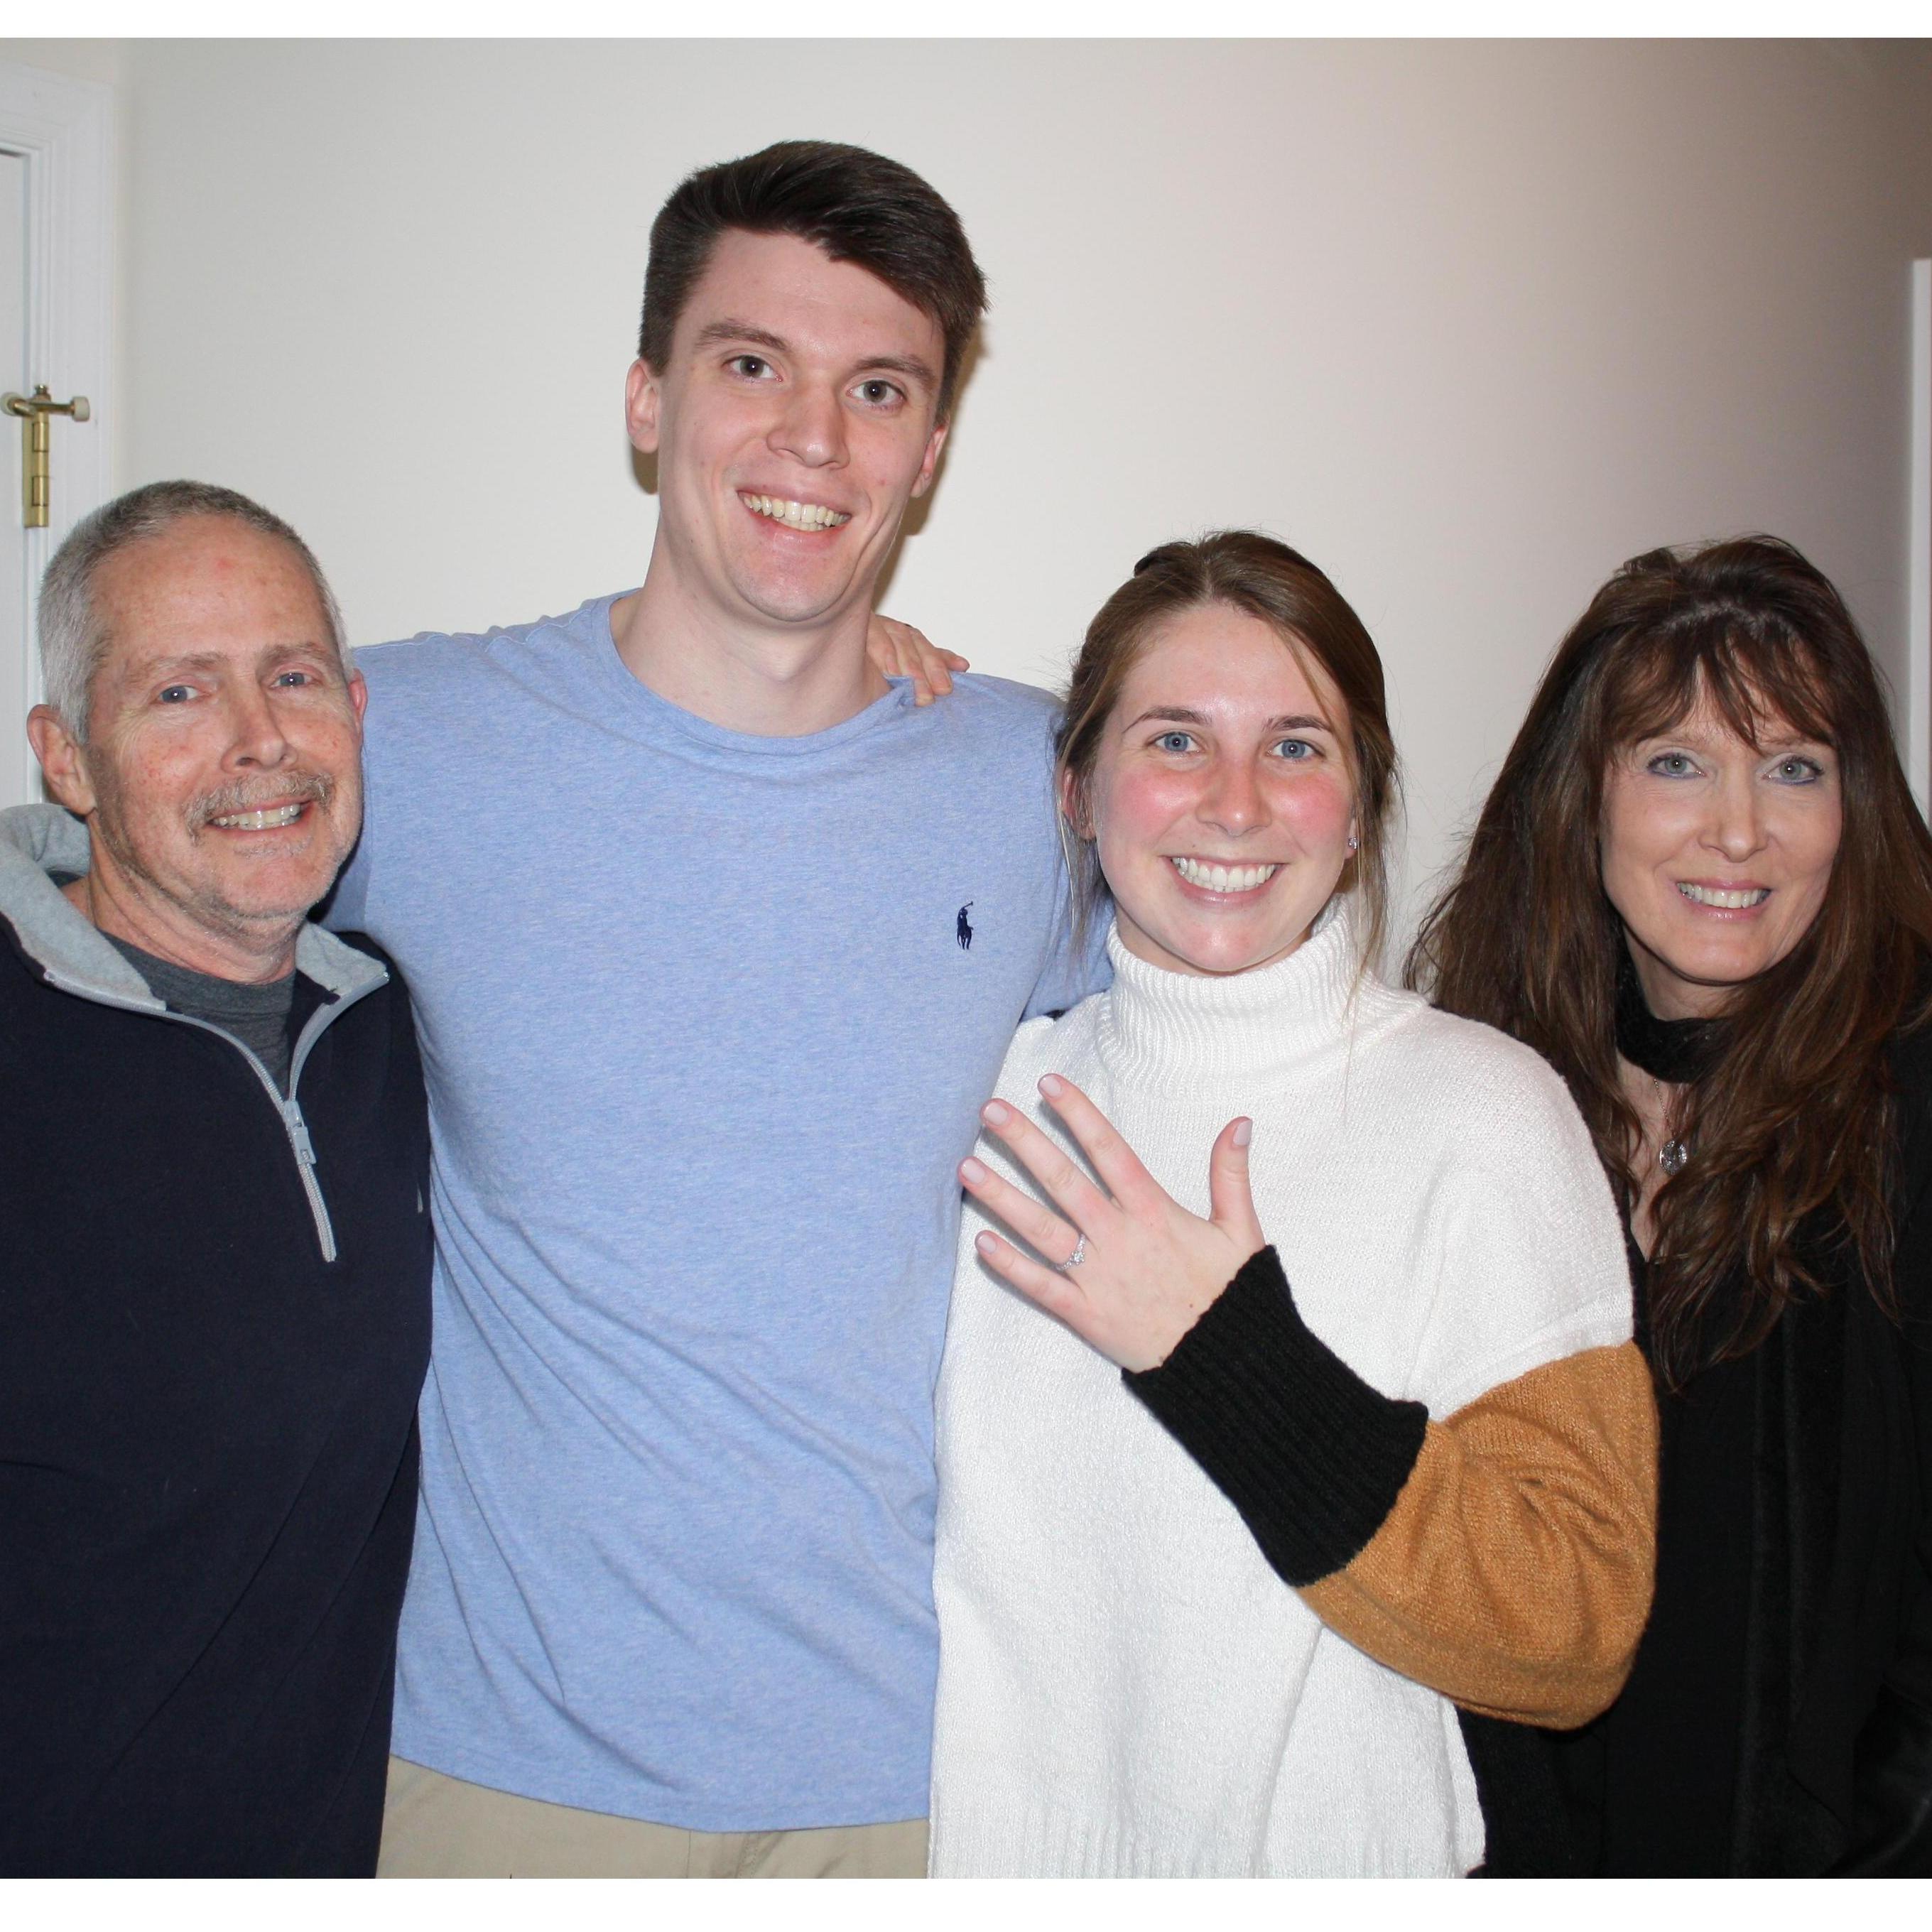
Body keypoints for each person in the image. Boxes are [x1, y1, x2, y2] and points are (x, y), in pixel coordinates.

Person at [330, 141, 1097, 1878]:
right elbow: (116, 862)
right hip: (506, 1770)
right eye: (753, 363)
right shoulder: (415, 740)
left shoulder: (1026, 779)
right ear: (647, 400)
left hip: (915, 1778)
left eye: (877, 388)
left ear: (930, 448)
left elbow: (1272, 994)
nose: (813, 439)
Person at [926, 531, 1659, 1877]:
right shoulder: (991, 1096)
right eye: (1175, 741)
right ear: (1077, 788)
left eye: (1297, 747)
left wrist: (1227, 1362)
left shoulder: (1485, 1115)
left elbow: (1574, 1628)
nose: (1237, 803)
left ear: (1362, 807)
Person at [1409, 534, 1932, 1875]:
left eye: (1795, 768)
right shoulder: (1482, 1100)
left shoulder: (1904, 1108)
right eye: (1678, 763)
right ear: (1583, 797)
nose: (1740, 831)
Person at [0, 481, 432, 1876]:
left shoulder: (389, 1028)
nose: (260, 740)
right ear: (68, 759)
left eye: (292, 677)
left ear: (354, 711)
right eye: (179, 693)